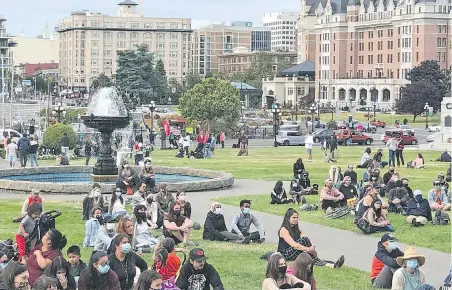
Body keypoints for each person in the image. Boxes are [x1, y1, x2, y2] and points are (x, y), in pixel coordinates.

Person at [277, 208, 344, 268]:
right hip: (285, 254)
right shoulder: (284, 230)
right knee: (307, 250)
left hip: (295, 251)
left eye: (297, 218)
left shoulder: (297, 230)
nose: (296, 219)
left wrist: (312, 247)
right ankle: (329, 264)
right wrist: (308, 249)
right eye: (294, 218)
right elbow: (294, 245)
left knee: (308, 256)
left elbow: (306, 240)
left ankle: (330, 265)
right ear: (288, 219)